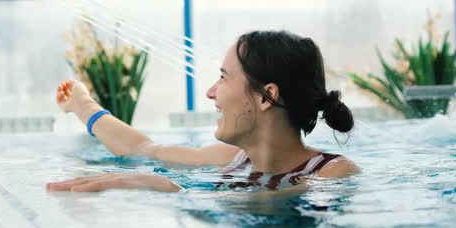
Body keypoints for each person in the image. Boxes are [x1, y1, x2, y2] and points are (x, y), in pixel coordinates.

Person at [46, 30, 360, 193]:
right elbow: (143, 149)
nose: (210, 91)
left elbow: (272, 201)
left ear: (267, 96)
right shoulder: (232, 159)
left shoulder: (333, 173)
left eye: (223, 77)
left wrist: (170, 189)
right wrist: (82, 104)